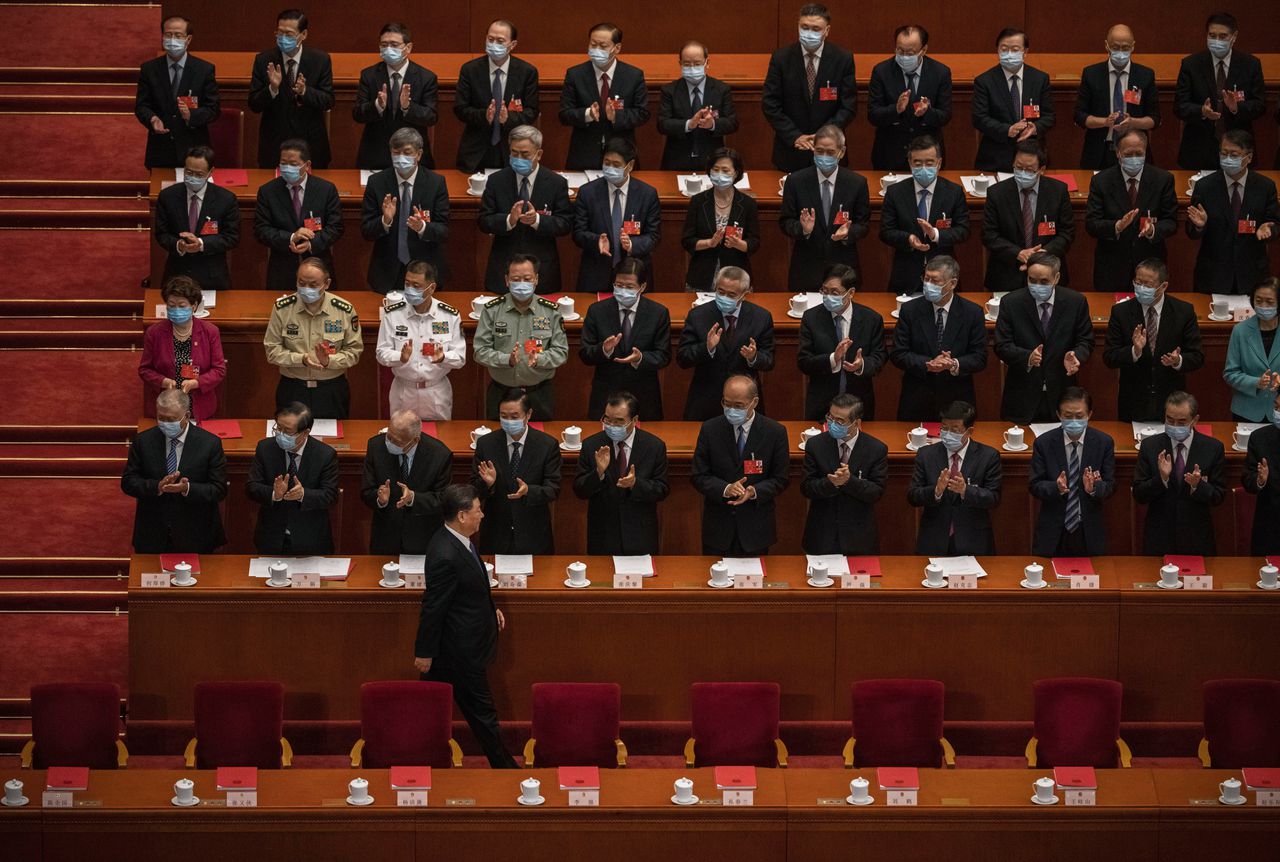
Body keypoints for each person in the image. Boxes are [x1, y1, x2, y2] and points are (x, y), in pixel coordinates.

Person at [413, 484, 518, 769]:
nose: (482, 515)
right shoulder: (446, 553)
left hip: (461, 643)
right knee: (482, 714)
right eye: (477, 510)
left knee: (428, 708)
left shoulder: (461, 539)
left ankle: (416, 759)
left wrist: (489, 607)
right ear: (461, 515)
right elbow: (433, 606)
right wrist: (424, 652)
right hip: (460, 650)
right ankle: (505, 769)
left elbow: (469, 585)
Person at [690, 376, 790, 556]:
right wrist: (726, 488)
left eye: (738, 405)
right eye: (726, 403)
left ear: (754, 402)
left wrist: (754, 491)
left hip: (755, 528)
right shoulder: (710, 429)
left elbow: (780, 479)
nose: (731, 410)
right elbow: (699, 475)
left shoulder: (774, 432)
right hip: (718, 527)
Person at [121, 389, 227, 553]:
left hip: (196, 534)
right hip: (152, 533)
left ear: (186, 415)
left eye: (171, 419)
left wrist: (187, 489)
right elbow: (128, 482)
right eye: (161, 418)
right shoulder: (143, 441)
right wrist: (157, 486)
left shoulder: (210, 444)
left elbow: (219, 489)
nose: (165, 424)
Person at [994, 252, 1093, 424]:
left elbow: (1086, 340)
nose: (1037, 285)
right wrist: (1027, 357)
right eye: (1032, 280)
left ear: (1057, 278)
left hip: (1062, 394)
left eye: (1044, 281)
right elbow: (1001, 345)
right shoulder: (1011, 303)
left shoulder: (1075, 302)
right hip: (1022, 396)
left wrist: (1076, 355)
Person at [1103, 258, 1204, 422]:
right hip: (1133, 401)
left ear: (1163, 286)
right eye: (1137, 282)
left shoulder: (1183, 311)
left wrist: (1178, 360)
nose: (1141, 288)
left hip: (1172, 402)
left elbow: (1197, 356)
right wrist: (1134, 351)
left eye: (1147, 284)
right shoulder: (1121, 312)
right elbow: (1109, 357)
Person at [890, 255, 988, 421]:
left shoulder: (972, 313)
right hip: (917, 397)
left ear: (953, 283)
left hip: (957, 398)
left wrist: (954, 364)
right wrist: (928, 364)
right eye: (926, 279)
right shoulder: (909, 310)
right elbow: (898, 354)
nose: (928, 285)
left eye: (935, 281)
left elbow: (980, 357)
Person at [572, 391, 671, 555]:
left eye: (619, 422)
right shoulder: (591, 445)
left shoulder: (654, 446)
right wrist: (598, 473)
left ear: (634, 421)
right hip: (603, 535)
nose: (611, 426)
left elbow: (662, 490)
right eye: (607, 420)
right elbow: (580, 490)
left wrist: (635, 484)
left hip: (640, 535)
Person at [477, 125, 572, 295]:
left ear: (539, 154)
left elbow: (565, 223)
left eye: (525, 154)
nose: (519, 158)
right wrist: (509, 221)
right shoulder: (496, 181)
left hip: (543, 270)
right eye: (514, 153)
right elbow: (484, 221)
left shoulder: (556, 183)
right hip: (503, 269)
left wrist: (537, 221)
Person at [762, 3, 856, 173]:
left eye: (815, 28)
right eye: (804, 27)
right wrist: (795, 136)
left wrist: (822, 137)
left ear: (826, 31)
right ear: (798, 27)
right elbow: (770, 104)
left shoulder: (843, 59)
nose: (809, 33)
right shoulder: (781, 58)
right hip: (791, 151)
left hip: (830, 150)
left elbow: (848, 106)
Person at [263, 257, 363, 418]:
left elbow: (354, 352)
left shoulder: (344, 310)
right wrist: (301, 359)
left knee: (333, 441)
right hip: (293, 388)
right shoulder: (282, 309)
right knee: (291, 438)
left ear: (327, 284)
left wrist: (329, 361)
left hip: (331, 389)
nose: (306, 288)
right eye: (301, 283)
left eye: (313, 285)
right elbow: (272, 350)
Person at [472, 255, 568, 419]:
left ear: (536, 279)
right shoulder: (492, 310)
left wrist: (539, 359)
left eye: (527, 278)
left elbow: (561, 352)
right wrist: (505, 360)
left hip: (538, 394)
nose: (522, 284)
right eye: (516, 279)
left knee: (541, 442)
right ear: (507, 280)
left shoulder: (551, 311)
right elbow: (479, 351)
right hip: (501, 392)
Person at [1132, 391, 1226, 556]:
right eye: (1170, 420)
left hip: (1197, 538)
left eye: (1181, 422)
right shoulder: (1150, 446)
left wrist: (1198, 486)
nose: (1175, 425)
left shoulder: (1212, 448)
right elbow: (1139, 494)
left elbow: (1218, 496)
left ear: (1194, 420)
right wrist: (1161, 478)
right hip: (1159, 538)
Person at [778, 124, 870, 292]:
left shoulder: (857, 183)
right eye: (819, 151)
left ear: (842, 152)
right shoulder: (796, 181)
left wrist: (847, 233)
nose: (824, 156)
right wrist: (803, 229)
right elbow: (785, 221)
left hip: (843, 267)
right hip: (806, 268)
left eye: (830, 152)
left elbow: (863, 224)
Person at [1186, 129, 1278, 294]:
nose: (1227, 159)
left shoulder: (1265, 187)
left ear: (1248, 157)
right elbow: (1191, 231)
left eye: (1234, 155)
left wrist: (1269, 229)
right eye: (1224, 153)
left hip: (1252, 274)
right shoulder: (1205, 187)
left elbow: (1274, 223)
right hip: (1213, 274)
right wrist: (1199, 226)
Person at [1084, 129, 1178, 292]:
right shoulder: (1101, 181)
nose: (1134, 158)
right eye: (1128, 154)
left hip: (1150, 267)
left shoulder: (1163, 179)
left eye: (1139, 153)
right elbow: (1092, 223)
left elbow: (1171, 221)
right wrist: (1117, 226)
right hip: (1112, 267)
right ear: (1118, 153)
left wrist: (1153, 230)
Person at [469, 388, 561, 554]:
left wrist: (529, 491)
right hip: (496, 534)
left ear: (528, 414)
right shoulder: (486, 444)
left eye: (514, 416)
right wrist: (488, 484)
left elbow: (553, 489)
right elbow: (474, 491)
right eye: (503, 416)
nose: (508, 421)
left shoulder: (547, 445)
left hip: (533, 534)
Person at [678, 267, 775, 421]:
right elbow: (683, 359)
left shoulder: (761, 317)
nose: (724, 297)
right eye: (721, 292)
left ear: (744, 294)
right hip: (705, 401)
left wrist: (753, 357)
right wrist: (707, 348)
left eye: (731, 295)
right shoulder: (698, 315)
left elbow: (769, 361)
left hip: (744, 404)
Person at [360, 126, 450, 293]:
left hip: (425, 271)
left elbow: (444, 230)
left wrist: (423, 227)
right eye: (396, 152)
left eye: (407, 152)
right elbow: (366, 231)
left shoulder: (436, 183)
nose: (401, 158)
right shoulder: (376, 182)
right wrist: (385, 221)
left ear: (419, 154)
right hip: (387, 272)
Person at [579, 257, 671, 419]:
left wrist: (640, 358)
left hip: (644, 396)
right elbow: (585, 353)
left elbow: (664, 356)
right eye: (619, 285)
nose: (623, 290)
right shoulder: (597, 311)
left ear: (642, 287)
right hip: (606, 394)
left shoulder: (658, 313)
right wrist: (604, 349)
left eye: (629, 286)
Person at [1029, 387, 1116, 557]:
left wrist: (1093, 488)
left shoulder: (1103, 443)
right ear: (1058, 415)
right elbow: (1034, 485)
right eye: (1068, 416)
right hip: (1054, 531)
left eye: (1079, 416)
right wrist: (1056, 487)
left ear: (1089, 414)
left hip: (1089, 530)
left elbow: (1111, 485)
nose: (1074, 421)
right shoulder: (1044, 444)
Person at [907, 400, 1002, 555]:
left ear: (969, 431)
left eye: (955, 430)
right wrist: (936, 491)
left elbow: (994, 498)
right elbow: (912, 496)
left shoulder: (988, 456)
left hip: (974, 541)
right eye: (944, 428)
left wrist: (966, 491)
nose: (948, 434)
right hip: (934, 540)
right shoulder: (926, 455)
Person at [375, 260, 465, 420]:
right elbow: (381, 353)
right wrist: (400, 357)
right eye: (407, 284)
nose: (410, 290)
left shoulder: (449, 316)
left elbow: (460, 358)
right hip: (403, 390)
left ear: (431, 288)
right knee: (402, 438)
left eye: (416, 286)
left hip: (436, 392)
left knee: (439, 440)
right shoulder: (393, 314)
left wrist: (443, 357)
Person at [879, 135, 969, 295]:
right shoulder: (895, 193)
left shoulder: (954, 192)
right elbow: (886, 231)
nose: (923, 168)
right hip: (906, 275)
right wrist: (908, 239)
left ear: (939, 163)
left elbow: (963, 231)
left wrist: (935, 234)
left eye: (929, 163)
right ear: (910, 163)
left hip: (944, 276)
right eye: (918, 163)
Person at [1174, 12, 1266, 171]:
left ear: (1234, 36)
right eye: (1212, 35)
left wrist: (1236, 108)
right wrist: (1201, 111)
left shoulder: (1250, 64)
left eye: (1222, 36)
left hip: (1238, 149)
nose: (1217, 41)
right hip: (1199, 149)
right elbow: (1179, 106)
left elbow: (1260, 105)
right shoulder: (1191, 64)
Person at [246, 401, 339, 554]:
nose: (280, 434)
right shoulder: (265, 448)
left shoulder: (325, 455)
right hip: (271, 538)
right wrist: (274, 494)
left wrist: (303, 494)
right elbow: (251, 487)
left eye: (287, 431)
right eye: (278, 428)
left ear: (305, 433)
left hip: (311, 540)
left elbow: (330, 496)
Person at [800, 394, 888, 555]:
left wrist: (849, 481)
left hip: (859, 537)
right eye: (830, 418)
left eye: (840, 421)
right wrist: (831, 483)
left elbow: (876, 492)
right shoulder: (816, 445)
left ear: (857, 423)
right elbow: (806, 488)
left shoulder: (876, 449)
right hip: (821, 535)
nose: (833, 424)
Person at [982, 140, 1074, 293]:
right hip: (1006, 275)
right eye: (1018, 167)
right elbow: (988, 235)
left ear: (1041, 169)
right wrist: (1019, 253)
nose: (1023, 173)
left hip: (1048, 275)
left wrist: (1043, 253)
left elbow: (1067, 232)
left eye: (1029, 169)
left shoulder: (1058, 191)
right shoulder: (996, 193)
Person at [253, 138, 343, 294]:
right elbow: (261, 230)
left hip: (319, 266)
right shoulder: (268, 192)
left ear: (307, 165)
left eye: (293, 164)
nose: (287, 168)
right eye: (284, 163)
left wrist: (311, 244)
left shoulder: (325, 189)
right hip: (281, 269)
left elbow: (336, 227)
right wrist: (291, 237)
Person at [797, 264, 886, 421]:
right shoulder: (811, 318)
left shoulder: (871, 319)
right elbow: (803, 361)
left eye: (835, 292)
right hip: (821, 404)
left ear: (851, 293)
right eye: (824, 291)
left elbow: (880, 357)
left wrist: (862, 365)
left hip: (859, 404)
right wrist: (833, 358)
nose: (828, 296)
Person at [247, 8, 334, 169]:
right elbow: (254, 104)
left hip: (312, 146)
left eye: (289, 34)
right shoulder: (264, 60)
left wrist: (305, 92)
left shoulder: (320, 60)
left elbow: (328, 101)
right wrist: (272, 89)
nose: (283, 38)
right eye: (279, 33)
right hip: (274, 147)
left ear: (303, 35)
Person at [572, 136, 661, 291]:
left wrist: (633, 244)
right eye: (607, 163)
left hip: (634, 275)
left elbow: (654, 236)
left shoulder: (647, 194)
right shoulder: (587, 193)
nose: (610, 168)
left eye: (616, 164)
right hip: (595, 274)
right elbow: (578, 233)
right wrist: (596, 240)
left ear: (630, 165)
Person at [559, 22, 650, 170]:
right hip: (583, 154)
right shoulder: (575, 74)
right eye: (593, 44)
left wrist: (616, 116)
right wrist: (587, 114)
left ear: (617, 48)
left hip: (621, 155)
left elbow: (643, 113)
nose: (596, 50)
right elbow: (564, 113)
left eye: (603, 46)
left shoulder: (633, 75)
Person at [360, 409, 452, 555]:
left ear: (415, 439)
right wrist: (379, 499)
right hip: (385, 538)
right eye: (389, 436)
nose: (389, 442)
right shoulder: (376, 446)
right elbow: (366, 490)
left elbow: (442, 499)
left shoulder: (439, 455)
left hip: (423, 539)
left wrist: (413, 498)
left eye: (396, 441)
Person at [454, 19, 540, 173]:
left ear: (512, 45)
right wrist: (484, 115)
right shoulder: (470, 70)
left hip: (512, 150)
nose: (494, 44)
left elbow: (531, 111)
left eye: (500, 41)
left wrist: (508, 118)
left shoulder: (527, 72)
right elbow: (460, 108)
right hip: (476, 151)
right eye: (490, 39)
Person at [136, 15, 220, 169]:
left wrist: (191, 116)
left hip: (194, 152)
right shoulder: (149, 69)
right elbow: (141, 106)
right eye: (168, 35)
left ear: (188, 40)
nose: (172, 39)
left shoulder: (204, 70)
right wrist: (152, 118)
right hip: (160, 151)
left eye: (178, 35)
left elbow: (213, 109)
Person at [352, 22, 439, 170]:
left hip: (412, 156)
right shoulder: (369, 75)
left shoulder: (426, 77)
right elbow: (357, 114)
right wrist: (377, 106)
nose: (388, 49)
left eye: (394, 44)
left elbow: (431, 117)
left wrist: (407, 107)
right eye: (384, 45)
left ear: (408, 47)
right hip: (375, 155)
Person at [139, 276, 227, 422]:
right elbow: (144, 370)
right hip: (166, 407)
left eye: (181, 305)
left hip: (199, 406)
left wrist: (196, 383)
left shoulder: (210, 332)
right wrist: (164, 381)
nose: (176, 310)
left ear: (193, 306)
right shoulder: (154, 333)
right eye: (171, 305)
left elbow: (219, 370)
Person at [867, 24, 952, 172]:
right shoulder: (881, 71)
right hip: (890, 155)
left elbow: (945, 115)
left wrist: (927, 112)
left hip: (927, 156)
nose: (904, 56)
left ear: (923, 50)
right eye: (900, 50)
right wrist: (896, 109)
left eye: (910, 52)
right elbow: (873, 115)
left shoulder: (940, 73)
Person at [154, 145, 240, 291]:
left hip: (213, 277)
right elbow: (161, 234)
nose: (193, 178)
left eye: (199, 174)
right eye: (188, 172)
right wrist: (179, 245)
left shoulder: (226, 199)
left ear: (210, 172)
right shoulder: (168, 196)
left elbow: (232, 237)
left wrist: (200, 243)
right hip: (177, 275)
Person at [1074, 25, 1160, 170]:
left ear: (1133, 47)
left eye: (1125, 48)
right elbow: (1079, 115)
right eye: (1115, 47)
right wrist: (1105, 122)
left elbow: (1155, 119)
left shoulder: (1145, 75)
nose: (1120, 52)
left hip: (1134, 152)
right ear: (1106, 46)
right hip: (1100, 151)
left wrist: (1133, 122)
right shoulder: (1091, 74)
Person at [971, 27, 1055, 173]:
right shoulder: (984, 81)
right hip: (995, 158)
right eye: (1004, 49)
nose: (1009, 54)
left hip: (1032, 158)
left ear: (1025, 52)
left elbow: (1049, 116)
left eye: (1015, 49)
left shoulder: (1040, 79)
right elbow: (979, 118)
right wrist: (1007, 130)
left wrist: (1035, 128)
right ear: (997, 50)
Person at [681, 148, 759, 292]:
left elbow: (754, 242)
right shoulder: (698, 201)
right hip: (701, 276)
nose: (719, 175)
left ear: (735, 173)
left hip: (737, 276)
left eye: (725, 170)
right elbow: (687, 241)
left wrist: (739, 244)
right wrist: (709, 243)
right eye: (715, 169)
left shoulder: (748, 204)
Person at [657, 41, 738, 171]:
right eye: (687, 64)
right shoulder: (669, 90)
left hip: (713, 162)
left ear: (707, 63)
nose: (692, 68)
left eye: (697, 63)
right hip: (677, 161)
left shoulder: (721, 89)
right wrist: (689, 124)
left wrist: (712, 124)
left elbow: (732, 123)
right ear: (680, 64)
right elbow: (662, 124)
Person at [1223, 278, 1280, 421]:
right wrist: (1256, 382)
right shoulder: (1240, 330)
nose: (1263, 306)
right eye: (1258, 300)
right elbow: (1230, 373)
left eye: (1269, 302)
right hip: (1247, 411)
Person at [1243, 390, 1280, 554]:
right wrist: (1260, 480)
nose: (1277, 413)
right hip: (1270, 526)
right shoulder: (1260, 438)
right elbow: (1247, 479)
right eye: (1276, 407)